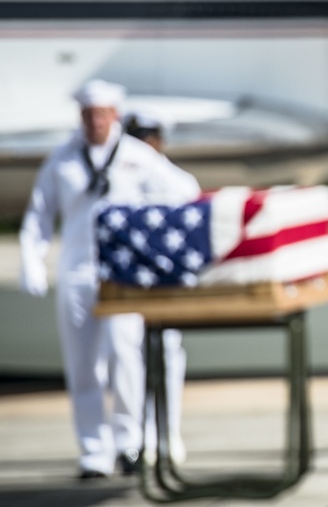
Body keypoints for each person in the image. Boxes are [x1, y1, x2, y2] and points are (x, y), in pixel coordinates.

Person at [19, 80, 200, 479]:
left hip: (124, 273)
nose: (95, 122)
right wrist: (33, 258)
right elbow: (40, 215)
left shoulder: (137, 156)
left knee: (125, 356)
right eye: (88, 115)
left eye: (102, 114)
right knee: (82, 365)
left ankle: (128, 441)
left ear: (115, 115)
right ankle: (93, 452)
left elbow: (184, 190)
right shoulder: (62, 159)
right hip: (77, 270)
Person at [122, 107, 201, 464]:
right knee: (120, 362)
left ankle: (166, 435)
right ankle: (130, 440)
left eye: (146, 139)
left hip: (162, 288)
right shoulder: (113, 176)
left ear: (159, 141)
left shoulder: (178, 182)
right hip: (121, 287)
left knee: (165, 358)